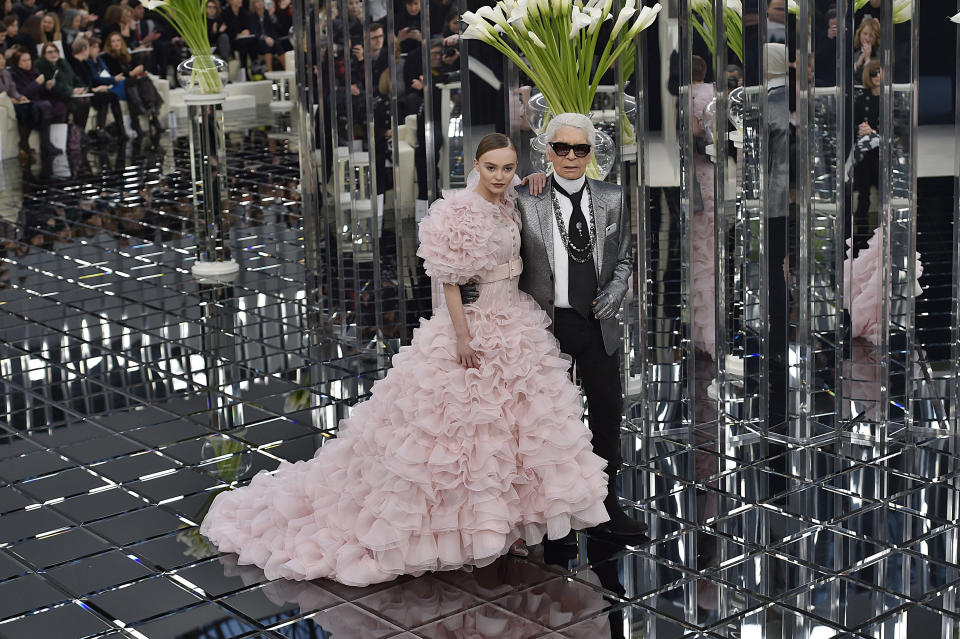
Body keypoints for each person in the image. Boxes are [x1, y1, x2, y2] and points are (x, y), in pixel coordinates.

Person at [200, 133, 609, 587]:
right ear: (476, 164)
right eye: (491, 167)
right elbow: (450, 282)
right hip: (475, 322)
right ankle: (462, 529)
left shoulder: (510, 200)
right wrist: (462, 336)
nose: (500, 176)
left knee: (516, 429)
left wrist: (533, 177)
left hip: (516, 318)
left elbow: (539, 201)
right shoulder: (458, 211)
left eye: (508, 168)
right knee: (464, 434)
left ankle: (505, 523)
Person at [466, 113, 650, 544]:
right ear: (547, 152)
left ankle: (606, 504)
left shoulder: (613, 197)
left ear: (591, 153)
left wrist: (619, 287)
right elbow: (483, 200)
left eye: (580, 149)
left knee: (607, 412)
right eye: (562, 148)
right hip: (543, 325)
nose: (571, 157)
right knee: (547, 423)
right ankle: (551, 514)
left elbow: (624, 256)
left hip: (598, 323)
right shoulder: (525, 197)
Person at [101, 30, 163, 137]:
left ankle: (151, 112)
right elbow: (115, 74)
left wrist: (139, 69)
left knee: (144, 80)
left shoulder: (126, 55)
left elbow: (135, 67)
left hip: (129, 83)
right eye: (113, 41)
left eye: (118, 41)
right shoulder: (107, 57)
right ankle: (145, 116)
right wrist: (130, 73)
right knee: (132, 82)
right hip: (116, 85)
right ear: (109, 44)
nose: (116, 43)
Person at [8, 46, 65, 157]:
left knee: (60, 105)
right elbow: (21, 93)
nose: (28, 63)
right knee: (44, 106)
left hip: (36, 101)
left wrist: (47, 85)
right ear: (17, 62)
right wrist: (36, 83)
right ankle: (46, 143)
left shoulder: (34, 71)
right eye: (24, 60)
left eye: (29, 60)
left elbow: (41, 91)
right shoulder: (14, 74)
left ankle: (55, 140)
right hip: (24, 102)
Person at [69, 36, 123, 141]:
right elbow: (78, 83)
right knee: (104, 96)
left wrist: (98, 87)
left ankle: (110, 128)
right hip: (84, 92)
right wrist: (94, 89)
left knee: (112, 95)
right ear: (84, 49)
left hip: (90, 90)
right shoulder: (73, 63)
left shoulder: (84, 63)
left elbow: (91, 80)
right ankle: (97, 129)